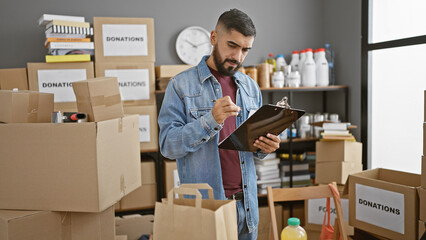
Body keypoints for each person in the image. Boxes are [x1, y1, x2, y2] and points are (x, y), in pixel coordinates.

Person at [158, 8, 280, 240]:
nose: (238, 56)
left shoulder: (250, 87)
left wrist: (266, 146)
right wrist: (210, 121)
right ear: (214, 37)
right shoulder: (180, 86)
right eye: (232, 45)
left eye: (245, 49)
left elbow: (252, 147)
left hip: (247, 207)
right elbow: (167, 146)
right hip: (206, 208)